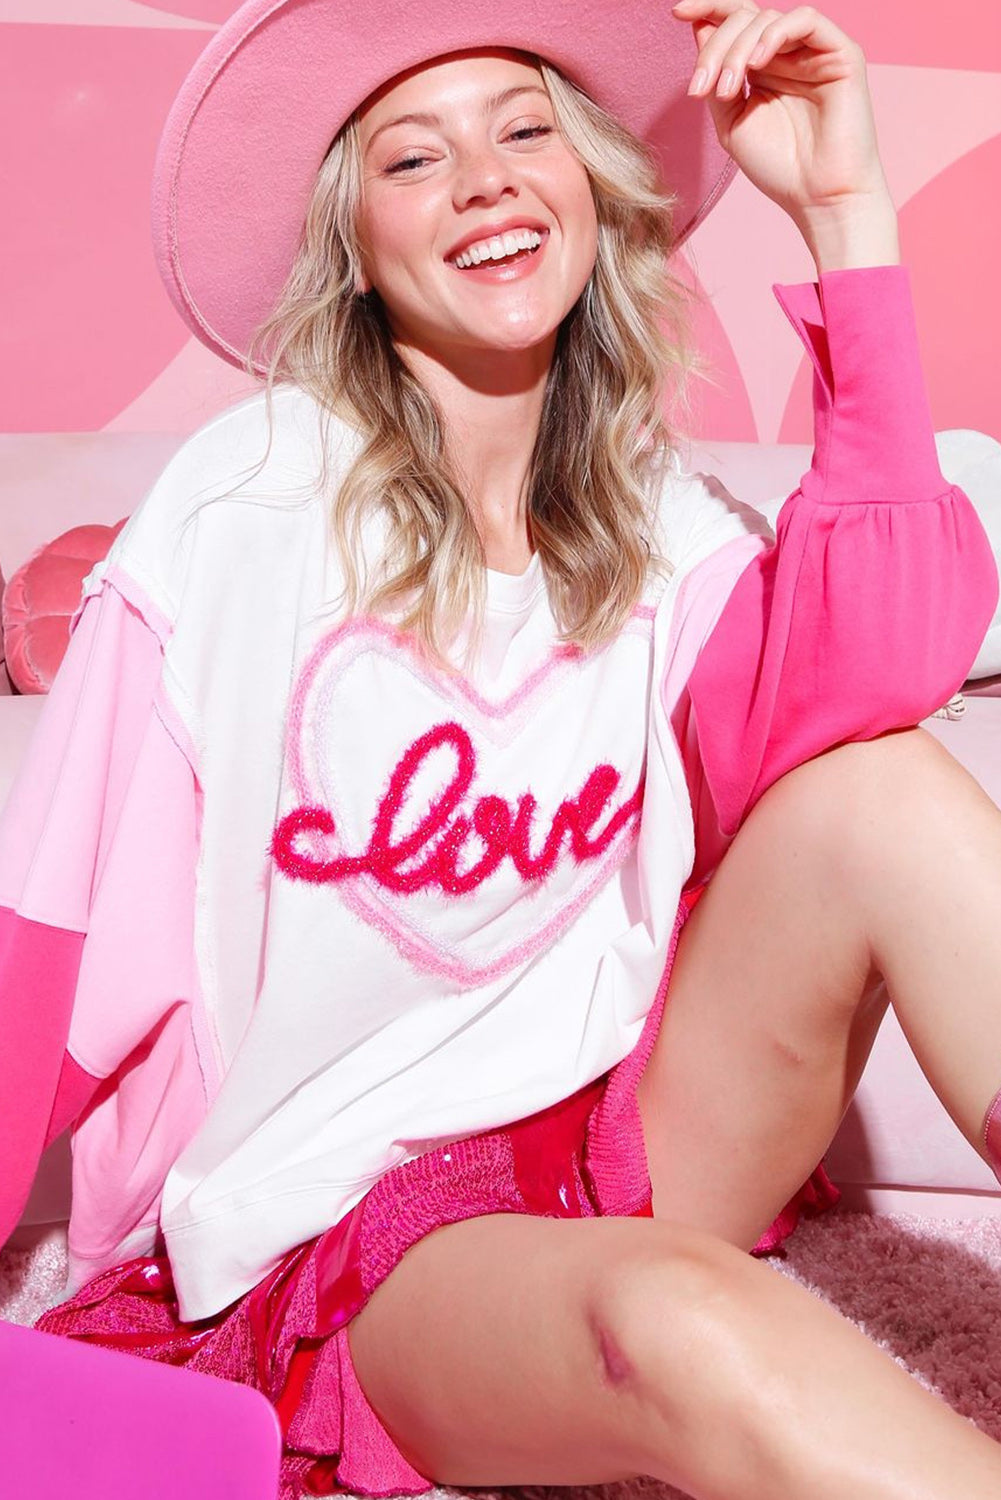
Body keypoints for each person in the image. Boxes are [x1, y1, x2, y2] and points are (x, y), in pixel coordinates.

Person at [2, 0, 1000, 1495]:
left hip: (630, 1125)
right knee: (675, 1319)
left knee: (885, 786)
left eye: (525, 129)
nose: (483, 177)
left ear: (590, 187)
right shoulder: (244, 504)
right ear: (353, 244)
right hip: (362, 1211)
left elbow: (889, 660)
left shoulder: (651, 515)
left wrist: (848, 213)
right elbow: (52, 945)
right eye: (414, 157)